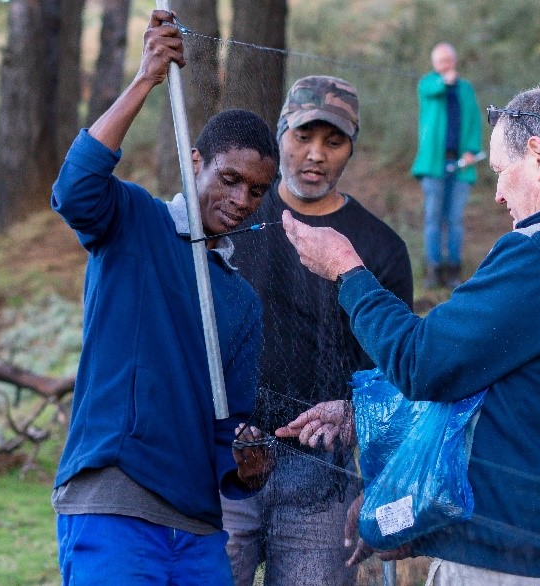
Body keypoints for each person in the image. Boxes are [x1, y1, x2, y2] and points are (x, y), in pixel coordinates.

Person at [282, 85, 540, 583]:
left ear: (538, 156)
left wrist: (348, 272)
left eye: (500, 173)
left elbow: (422, 362)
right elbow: (514, 383)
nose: (499, 193)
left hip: (512, 564)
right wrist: (365, 416)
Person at [49, 11, 277, 584]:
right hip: (113, 504)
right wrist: (146, 78)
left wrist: (249, 460)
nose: (243, 199)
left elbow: (231, 425)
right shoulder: (134, 221)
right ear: (194, 162)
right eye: (229, 179)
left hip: (200, 528)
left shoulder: (242, 301)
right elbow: (74, 190)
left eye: (257, 190)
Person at [223, 75, 414, 586]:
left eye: (333, 141)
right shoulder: (233, 217)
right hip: (224, 457)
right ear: (280, 133)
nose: (315, 155)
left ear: (351, 148)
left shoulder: (381, 248)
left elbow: (394, 376)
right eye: (302, 136)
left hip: (322, 478)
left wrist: (359, 428)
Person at [410, 42, 483, 289]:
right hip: (434, 165)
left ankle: (454, 269)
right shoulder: (428, 84)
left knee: (455, 219)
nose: (445, 65)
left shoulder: (466, 89)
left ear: (455, 61)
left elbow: (474, 121)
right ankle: (433, 269)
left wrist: (472, 150)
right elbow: (433, 92)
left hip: (461, 163)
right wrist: (445, 81)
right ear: (434, 64)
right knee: (433, 218)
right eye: (440, 61)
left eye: (448, 61)